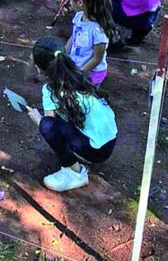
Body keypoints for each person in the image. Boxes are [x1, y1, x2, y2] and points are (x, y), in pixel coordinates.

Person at [27, 37, 117, 192]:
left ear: (38, 68)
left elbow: (50, 124)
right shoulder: (78, 73)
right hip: (110, 139)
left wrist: (37, 119)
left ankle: (75, 172)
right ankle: (81, 153)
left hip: (96, 151)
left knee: (46, 124)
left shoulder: (49, 89)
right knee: (58, 119)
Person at [65, 0, 118, 86]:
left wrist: (79, 73)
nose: (68, 2)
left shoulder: (98, 31)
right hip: (77, 66)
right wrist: (64, 52)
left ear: (80, 2)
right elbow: (74, 36)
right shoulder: (79, 16)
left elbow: (96, 59)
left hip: (92, 73)